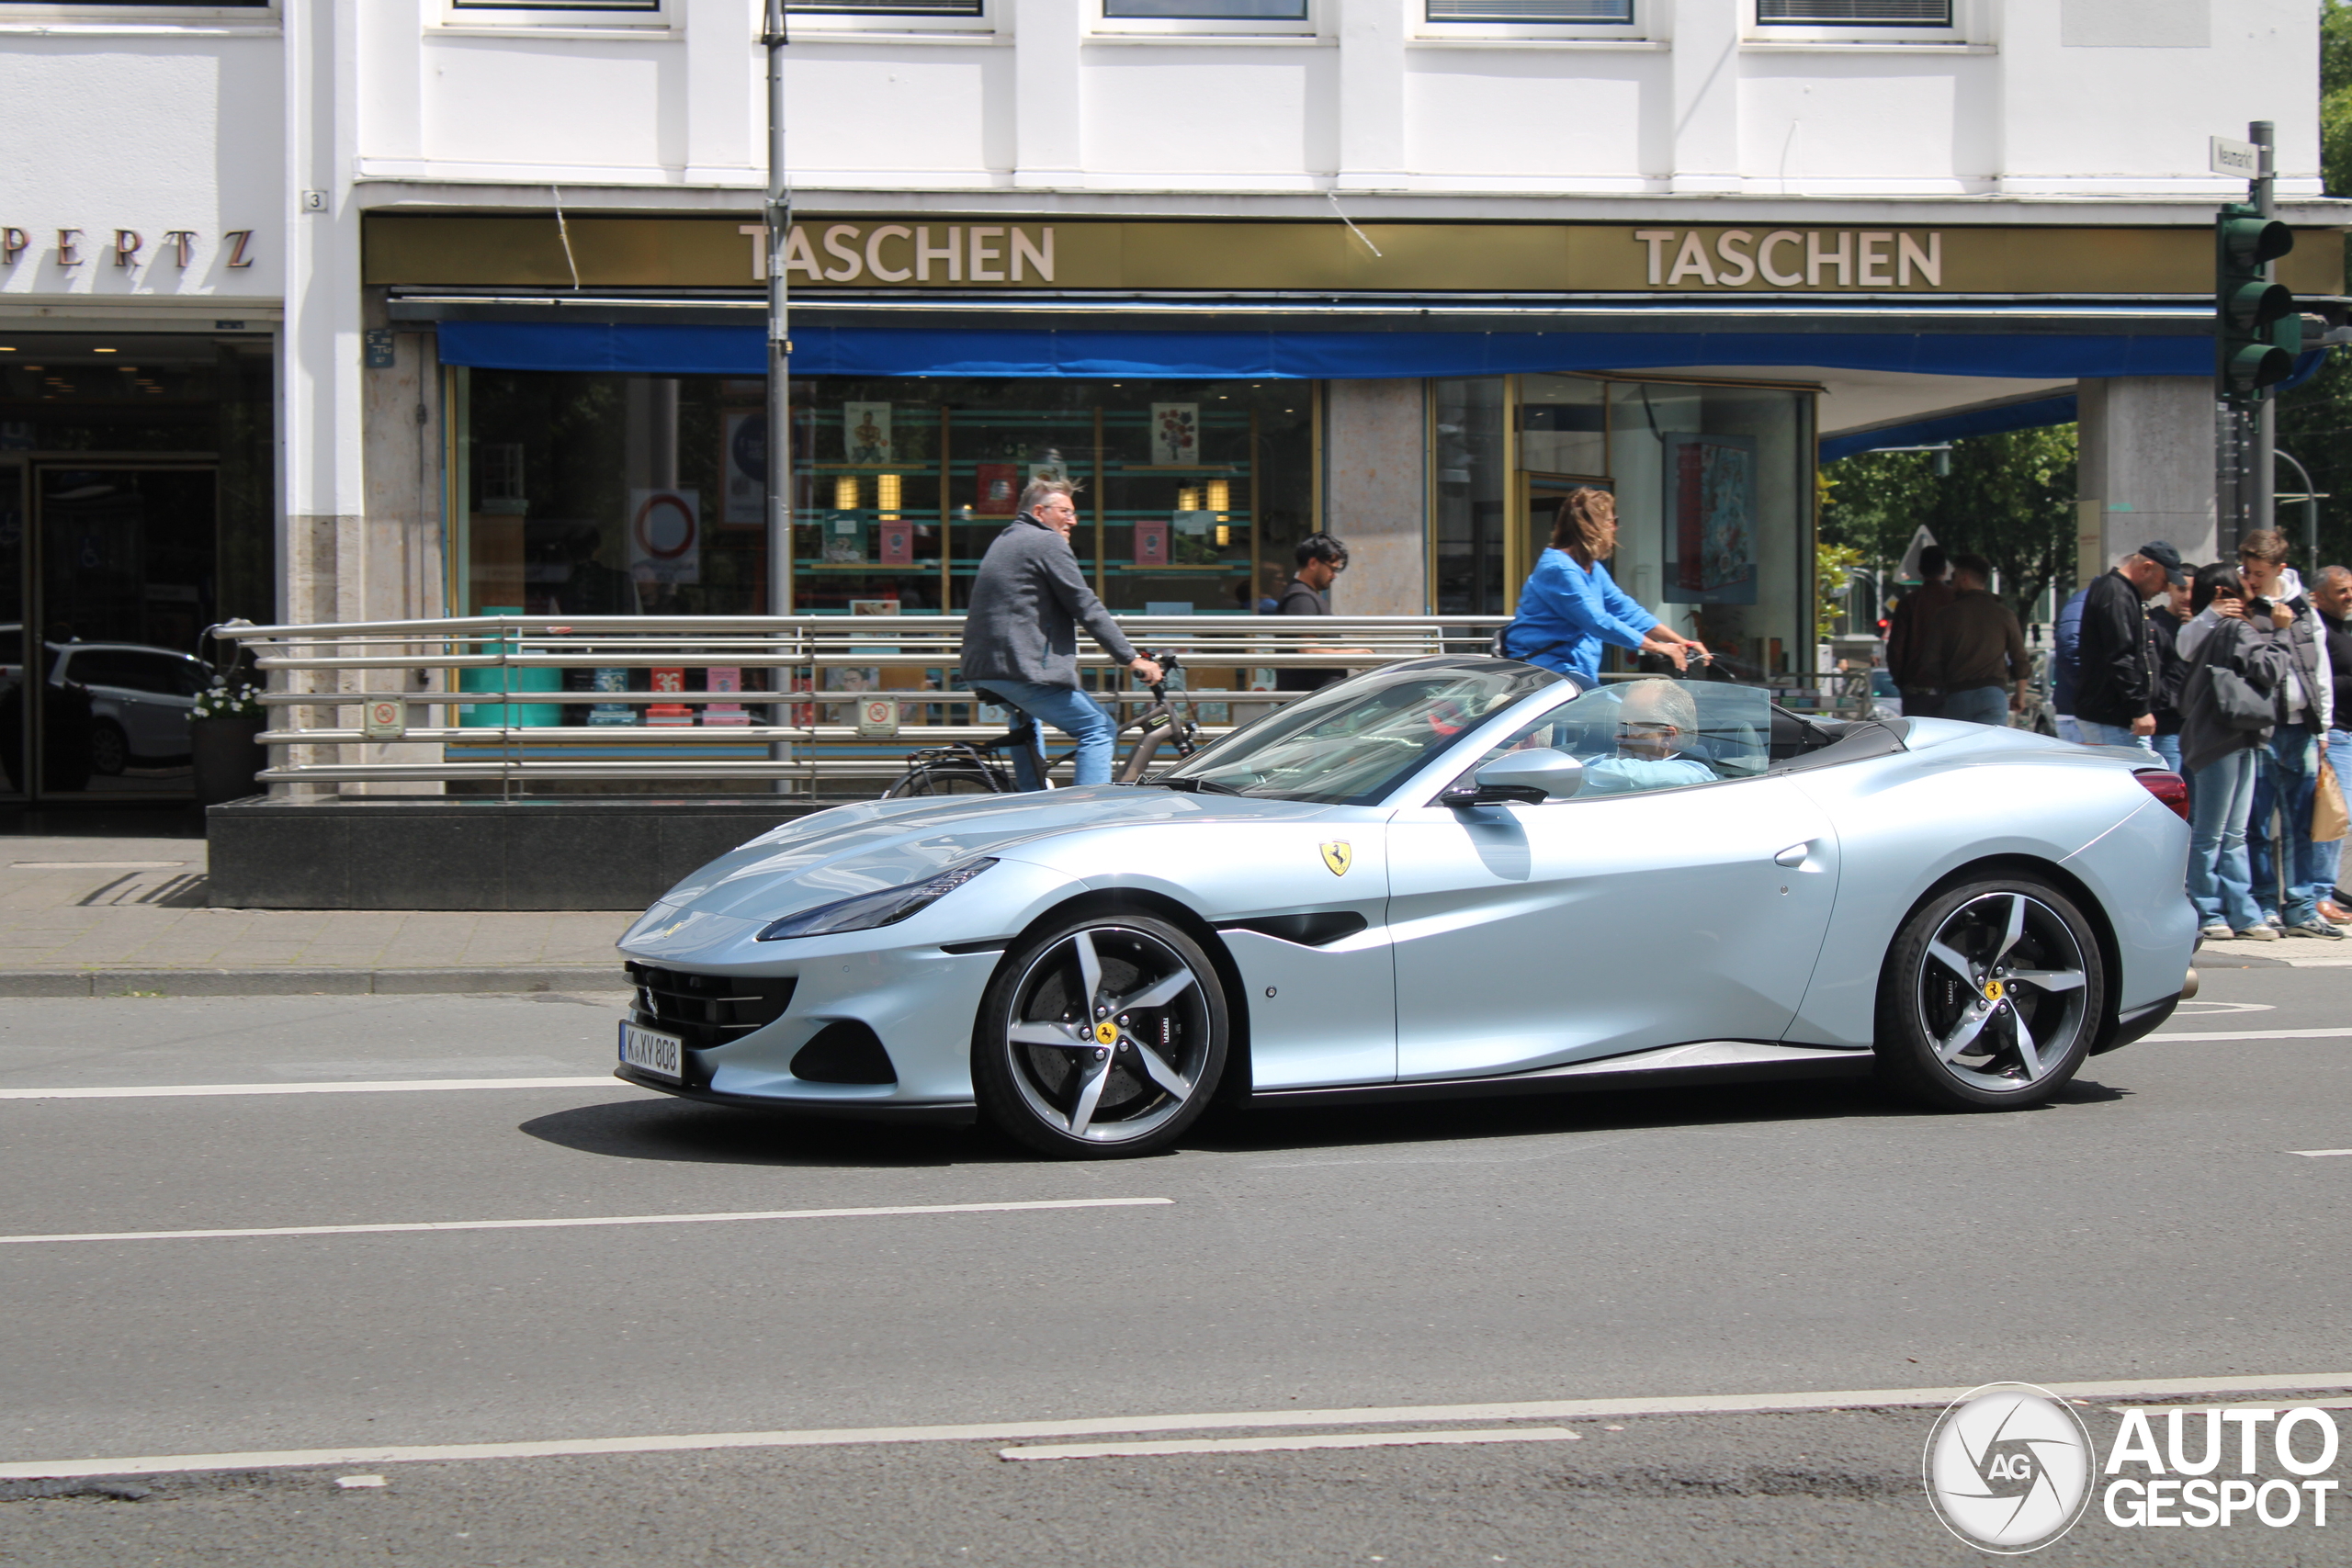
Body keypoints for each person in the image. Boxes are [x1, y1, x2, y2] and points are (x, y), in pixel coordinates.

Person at [958, 478, 1162, 790]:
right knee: (1098, 728)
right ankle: (1083, 817)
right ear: (1040, 512)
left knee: (1026, 722)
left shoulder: (1007, 538)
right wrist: (1131, 658)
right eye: (1065, 511)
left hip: (984, 667)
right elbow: (1085, 604)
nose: (1073, 520)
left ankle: (1030, 801)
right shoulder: (1045, 541)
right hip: (1019, 667)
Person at [2177, 564, 2291, 942]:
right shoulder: (2235, 627)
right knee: (2219, 833)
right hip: (2224, 738)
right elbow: (2269, 668)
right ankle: (2215, 910)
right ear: (2225, 591)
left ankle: (2235, 911)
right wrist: (2281, 631)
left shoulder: (2222, 627)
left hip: (2232, 737)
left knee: (2229, 833)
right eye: (2244, 580)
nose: (2253, 585)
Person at [2234, 531, 2338, 938]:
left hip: (2301, 730)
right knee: (2257, 824)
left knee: (2299, 824)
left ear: (2279, 569)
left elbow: (2320, 670)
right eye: (2247, 570)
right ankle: (2264, 903)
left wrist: (2324, 727)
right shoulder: (2242, 607)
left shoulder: (2304, 610)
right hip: (2260, 731)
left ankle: (2300, 905)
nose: (2252, 578)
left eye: (2259, 572)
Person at [1499, 488, 1706, 684]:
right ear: (1593, 528)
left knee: (1611, 714)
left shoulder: (1591, 567)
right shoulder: (1558, 568)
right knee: (1611, 715)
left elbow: (1626, 609)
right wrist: (1656, 647)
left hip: (1573, 670)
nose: (1615, 528)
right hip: (1545, 671)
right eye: (1611, 521)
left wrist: (1682, 642)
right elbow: (1596, 620)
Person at [2073, 541, 2185, 758]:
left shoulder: (2122, 592)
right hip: (2112, 716)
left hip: (2117, 717)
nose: (2164, 589)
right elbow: (2121, 656)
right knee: (2130, 784)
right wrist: (2139, 709)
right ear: (2146, 568)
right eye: (2164, 581)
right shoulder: (2116, 593)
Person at [1917, 554, 2030, 727]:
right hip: (1994, 695)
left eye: (1954, 576)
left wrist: (1947, 681)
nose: (1951, 581)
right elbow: (2020, 658)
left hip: (1958, 695)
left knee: (1960, 751)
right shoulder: (2004, 614)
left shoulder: (1945, 615)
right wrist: (2019, 696)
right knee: (1990, 751)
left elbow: (1930, 660)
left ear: (1964, 578)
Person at [1577, 679, 1717, 795]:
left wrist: (1567, 771)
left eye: (1627, 728)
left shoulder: (1695, 774)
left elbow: (1626, 774)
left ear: (1667, 737)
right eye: (1618, 726)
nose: (1616, 737)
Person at [1273, 534, 1374, 694]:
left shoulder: (1304, 596)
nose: (1334, 575)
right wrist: (1352, 654)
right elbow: (1308, 650)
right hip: (1311, 705)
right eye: (1332, 569)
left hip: (1315, 703)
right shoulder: (1301, 599)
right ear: (1313, 563)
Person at [2309, 564, 2352, 926]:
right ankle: (2321, 894)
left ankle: (2322, 891)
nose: (2349, 596)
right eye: (2341, 591)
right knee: (2336, 816)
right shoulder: (2318, 630)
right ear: (2319, 596)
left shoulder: (2339, 629)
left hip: (2344, 736)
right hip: (2334, 736)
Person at [1885, 546, 1956, 718]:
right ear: (1945, 570)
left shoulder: (1909, 603)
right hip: (1951, 689)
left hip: (1916, 689)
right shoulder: (1957, 601)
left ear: (1919, 570)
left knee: (1918, 741)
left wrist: (1901, 681)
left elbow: (1896, 647)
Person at [2148, 570, 2196, 777]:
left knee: (2196, 801)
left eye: (2193, 591)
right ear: (2169, 589)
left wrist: (2196, 628)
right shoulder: (2155, 624)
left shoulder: (2205, 624)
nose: (2187, 597)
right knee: (2169, 794)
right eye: (2182, 590)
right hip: (2167, 726)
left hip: (2197, 728)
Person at [2050, 586, 2087, 743]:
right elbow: (2069, 649)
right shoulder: (2083, 603)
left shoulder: (2081, 603)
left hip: (2075, 712)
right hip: (2076, 714)